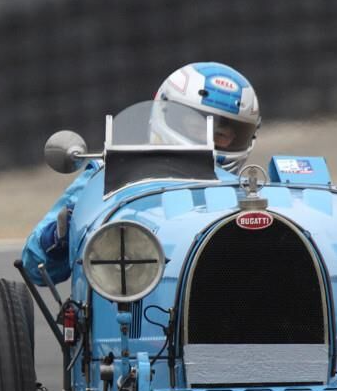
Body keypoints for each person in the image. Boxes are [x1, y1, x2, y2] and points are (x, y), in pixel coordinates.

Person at [21, 63, 261, 285]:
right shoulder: (107, 175)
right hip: (126, 287)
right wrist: (61, 235)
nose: (210, 139)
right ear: (166, 112)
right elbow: (35, 264)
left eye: (222, 135)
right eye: (196, 126)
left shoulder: (250, 192)